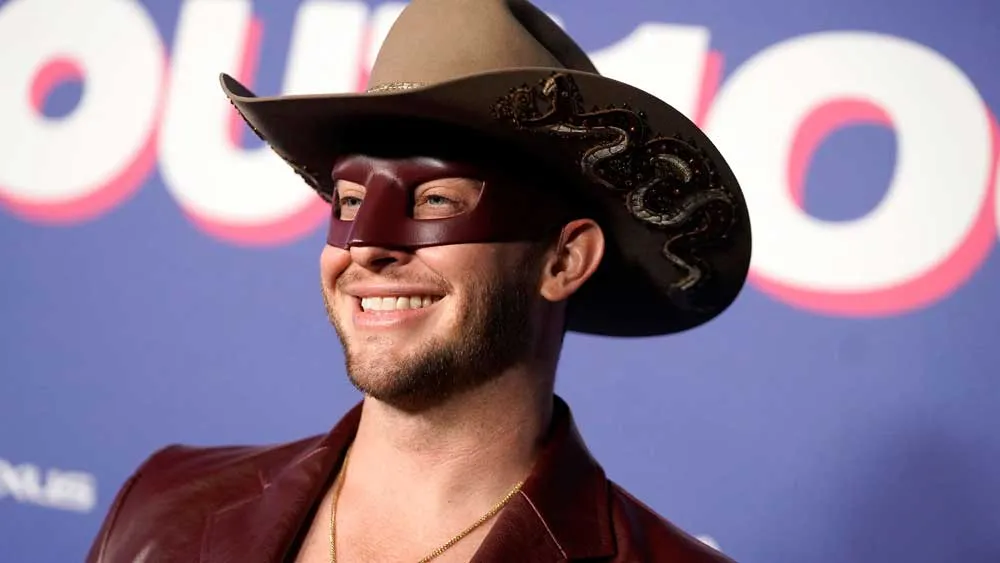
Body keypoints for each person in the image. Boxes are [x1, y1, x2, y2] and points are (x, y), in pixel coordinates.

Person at [85, 0, 752, 561]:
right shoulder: (161, 509)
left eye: (435, 201)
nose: (367, 246)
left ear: (564, 260)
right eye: (349, 201)